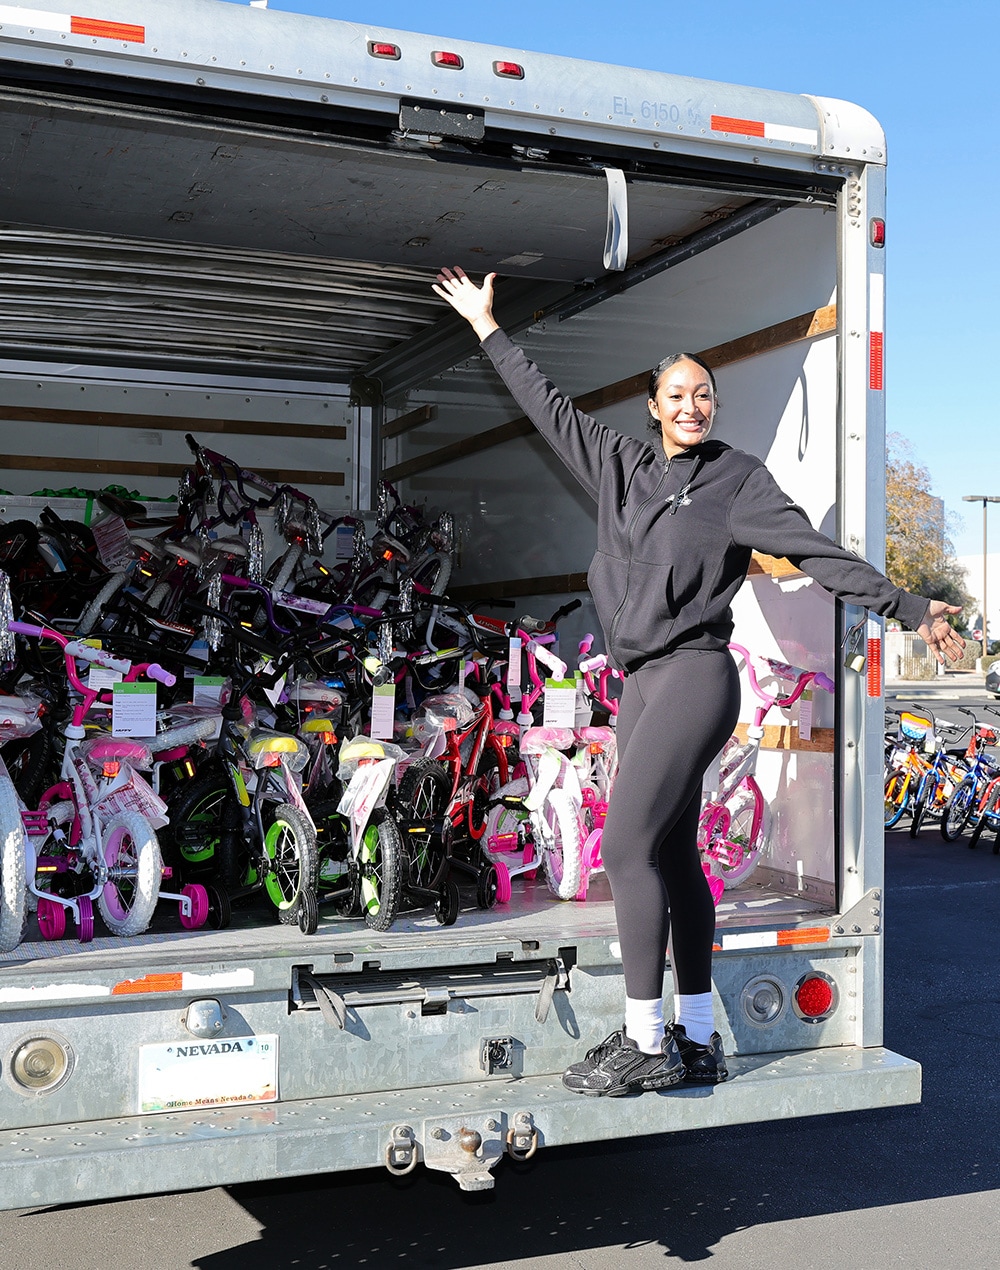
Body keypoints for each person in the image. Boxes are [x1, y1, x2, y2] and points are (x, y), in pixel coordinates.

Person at [432, 266, 965, 1097]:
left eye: (703, 395)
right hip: (642, 681)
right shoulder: (617, 464)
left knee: (624, 849)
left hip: (695, 676)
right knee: (673, 853)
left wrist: (909, 606)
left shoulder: (735, 481)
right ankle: (697, 1037)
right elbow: (545, 404)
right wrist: (486, 327)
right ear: (652, 407)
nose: (692, 406)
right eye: (676, 395)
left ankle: (648, 1040)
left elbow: (817, 553)